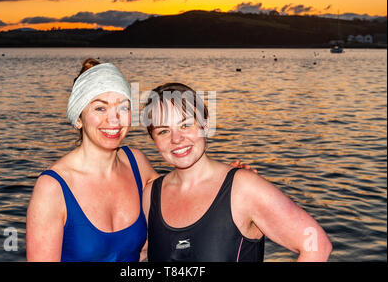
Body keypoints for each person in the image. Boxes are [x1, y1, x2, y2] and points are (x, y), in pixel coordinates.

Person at [26, 59, 254, 262]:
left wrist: (229, 182)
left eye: (122, 107)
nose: (113, 120)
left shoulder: (136, 164)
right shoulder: (52, 188)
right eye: (100, 108)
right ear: (78, 119)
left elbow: (182, 198)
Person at [141, 83, 332, 262]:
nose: (177, 139)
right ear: (153, 139)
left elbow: (317, 247)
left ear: (206, 125)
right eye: (163, 131)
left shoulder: (243, 188)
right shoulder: (151, 195)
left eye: (186, 125)